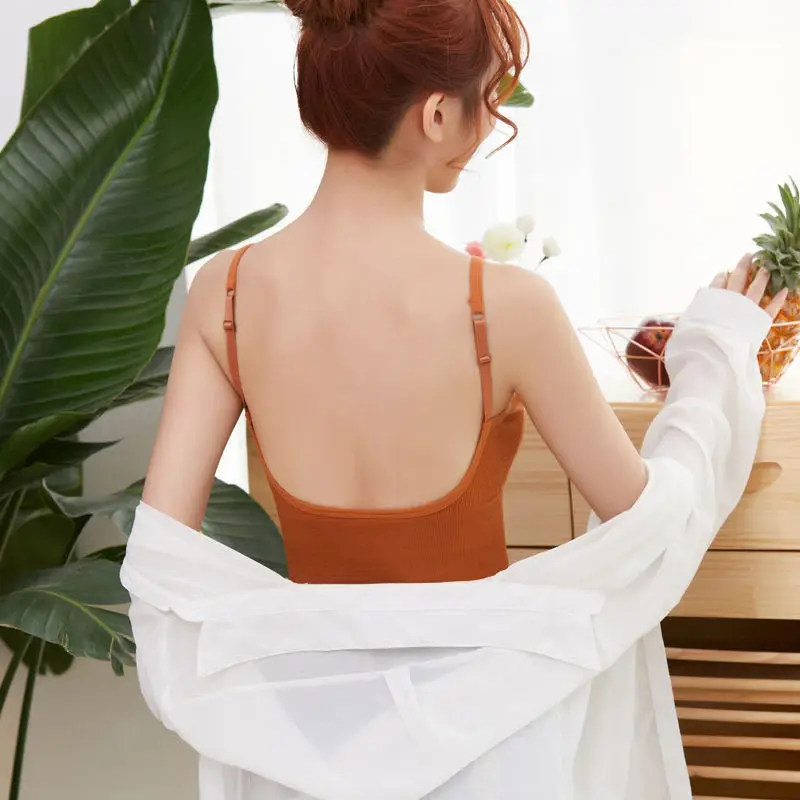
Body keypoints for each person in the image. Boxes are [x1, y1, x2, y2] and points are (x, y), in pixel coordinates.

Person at [125, 0, 786, 796]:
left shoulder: (224, 294)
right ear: (437, 114)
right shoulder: (506, 307)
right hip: (496, 752)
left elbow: (160, 567)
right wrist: (713, 355)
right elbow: (647, 525)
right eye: (485, 99)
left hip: (305, 755)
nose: (489, 124)